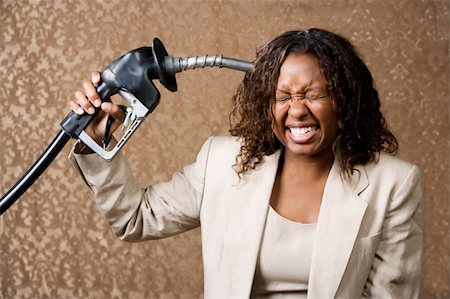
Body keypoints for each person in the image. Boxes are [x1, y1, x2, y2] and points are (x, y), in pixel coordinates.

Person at [68, 28, 422, 298]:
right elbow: (135, 218)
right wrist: (98, 139)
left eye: (314, 94)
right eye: (283, 96)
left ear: (345, 101)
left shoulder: (393, 183)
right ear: (266, 104)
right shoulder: (221, 163)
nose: (297, 110)